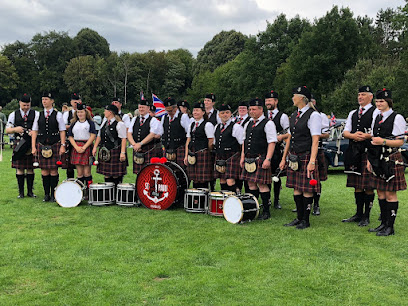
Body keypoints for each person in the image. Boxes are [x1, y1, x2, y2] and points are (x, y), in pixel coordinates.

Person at [280, 86, 322, 229]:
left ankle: (306, 220)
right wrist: (284, 158)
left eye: (295, 95)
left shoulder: (314, 115)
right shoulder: (294, 115)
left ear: (302, 98)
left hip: (306, 156)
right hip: (294, 157)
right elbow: (290, 138)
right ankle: (298, 217)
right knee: (296, 188)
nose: (292, 98)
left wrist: (312, 161)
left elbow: (315, 140)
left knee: (306, 189)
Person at [367, 89, 406, 236]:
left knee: (390, 194)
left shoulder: (397, 118)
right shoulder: (376, 116)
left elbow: (400, 141)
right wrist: (370, 160)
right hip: (377, 159)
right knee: (380, 192)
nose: (378, 104)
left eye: (381, 101)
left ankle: (390, 227)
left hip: (391, 159)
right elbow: (372, 139)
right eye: (377, 101)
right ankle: (383, 223)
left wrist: (383, 141)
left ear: (388, 102)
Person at [342, 86, 377, 226]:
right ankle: (358, 213)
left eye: (363, 94)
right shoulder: (353, 113)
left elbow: (378, 132)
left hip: (369, 151)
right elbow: (345, 132)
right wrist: (353, 135)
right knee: (357, 184)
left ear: (371, 97)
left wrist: (366, 136)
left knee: (368, 186)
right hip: (354, 152)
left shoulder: (376, 112)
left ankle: (366, 216)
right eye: (359, 94)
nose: (360, 97)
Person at [240, 98, 277, 220]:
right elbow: (244, 142)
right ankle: (254, 208)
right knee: (251, 184)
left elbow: (272, 142)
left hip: (260, 158)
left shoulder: (268, 123)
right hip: (249, 159)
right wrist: (242, 157)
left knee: (262, 185)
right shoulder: (248, 123)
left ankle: (266, 211)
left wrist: (268, 159)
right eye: (250, 109)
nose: (251, 111)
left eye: (254, 109)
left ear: (261, 109)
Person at [31, 92, 67, 202]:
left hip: (54, 144)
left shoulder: (58, 115)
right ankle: (46, 194)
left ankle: (53, 194)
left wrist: (63, 145)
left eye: (46, 99)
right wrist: (33, 146)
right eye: (43, 99)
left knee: (54, 170)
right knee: (44, 171)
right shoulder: (39, 114)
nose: (44, 101)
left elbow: (62, 131)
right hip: (42, 145)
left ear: (52, 101)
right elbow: (35, 131)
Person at [6, 94, 39, 198]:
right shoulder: (13, 114)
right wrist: (16, 129)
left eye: (28, 105)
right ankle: (21, 193)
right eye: (24, 105)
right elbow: (7, 130)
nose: (26, 107)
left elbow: (39, 129)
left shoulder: (36, 114)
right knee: (19, 168)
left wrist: (33, 132)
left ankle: (30, 192)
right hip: (19, 144)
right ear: (19, 103)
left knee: (30, 168)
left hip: (30, 143)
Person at [265, 90, 290, 209]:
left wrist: (281, 136)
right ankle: (267, 199)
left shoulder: (283, 116)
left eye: (270, 100)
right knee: (266, 175)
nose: (268, 103)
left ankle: (276, 200)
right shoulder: (263, 116)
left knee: (276, 176)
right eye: (266, 101)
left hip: (277, 150)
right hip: (265, 149)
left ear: (276, 101)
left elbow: (289, 133)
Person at [92, 104, 127, 188]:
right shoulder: (104, 122)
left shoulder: (119, 124)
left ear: (110, 112)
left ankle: (116, 194)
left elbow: (123, 139)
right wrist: (95, 147)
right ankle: (108, 194)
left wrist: (122, 153)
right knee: (106, 174)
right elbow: (99, 136)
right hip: (104, 151)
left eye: (105, 111)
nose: (104, 112)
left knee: (115, 175)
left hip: (114, 151)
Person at [67, 103, 97, 198]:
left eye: (82, 112)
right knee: (79, 173)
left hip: (87, 146)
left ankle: (88, 193)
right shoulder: (74, 123)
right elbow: (70, 136)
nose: (80, 114)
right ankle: (80, 192)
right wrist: (76, 147)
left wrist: (84, 147)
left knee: (87, 172)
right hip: (76, 146)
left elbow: (93, 136)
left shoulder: (90, 123)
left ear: (85, 112)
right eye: (78, 112)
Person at [128, 99, 163, 175]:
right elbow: (129, 133)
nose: (141, 109)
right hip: (137, 149)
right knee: (139, 174)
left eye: (143, 107)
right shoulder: (134, 119)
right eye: (139, 107)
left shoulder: (153, 120)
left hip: (148, 150)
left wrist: (140, 144)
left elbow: (152, 134)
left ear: (148, 108)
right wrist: (134, 144)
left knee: (149, 173)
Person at [214, 104, 244, 192]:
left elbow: (242, 144)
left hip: (232, 157)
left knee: (230, 181)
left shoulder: (236, 127)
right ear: (219, 115)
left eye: (227, 113)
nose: (225, 115)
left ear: (231, 114)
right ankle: (226, 200)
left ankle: (236, 197)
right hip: (220, 156)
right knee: (222, 180)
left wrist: (241, 157)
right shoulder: (217, 127)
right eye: (222, 113)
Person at [184, 102, 215, 189]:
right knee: (195, 179)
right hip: (192, 155)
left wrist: (206, 151)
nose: (195, 112)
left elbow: (211, 140)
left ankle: (203, 200)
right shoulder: (192, 124)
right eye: (194, 110)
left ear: (203, 112)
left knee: (202, 180)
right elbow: (188, 140)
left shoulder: (208, 125)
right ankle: (196, 201)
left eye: (197, 110)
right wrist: (186, 155)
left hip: (203, 154)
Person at [310, 94, 330, 215]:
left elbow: (326, 134)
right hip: (303, 150)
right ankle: (303, 204)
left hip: (317, 149)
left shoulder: (321, 116)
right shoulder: (299, 115)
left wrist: (314, 134)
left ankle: (316, 205)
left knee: (316, 180)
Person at [161, 97, 190, 169]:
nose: (169, 113)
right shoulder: (164, 118)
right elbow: (162, 132)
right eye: (167, 111)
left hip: (179, 149)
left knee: (180, 172)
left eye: (170, 111)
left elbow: (189, 134)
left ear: (176, 108)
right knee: (167, 171)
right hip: (167, 149)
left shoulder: (183, 117)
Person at [63, 93, 81, 179]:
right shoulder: (67, 114)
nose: (76, 103)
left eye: (78, 101)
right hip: (70, 141)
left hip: (81, 141)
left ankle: (81, 184)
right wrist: (73, 126)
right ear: (71, 102)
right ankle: (70, 183)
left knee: (81, 165)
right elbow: (62, 127)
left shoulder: (84, 112)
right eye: (74, 101)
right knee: (69, 166)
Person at [234, 101, 251, 193]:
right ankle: (238, 193)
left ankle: (248, 195)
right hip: (236, 151)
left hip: (245, 149)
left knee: (246, 175)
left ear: (247, 110)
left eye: (244, 108)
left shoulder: (250, 120)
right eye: (240, 108)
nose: (241, 110)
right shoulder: (234, 120)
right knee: (237, 175)